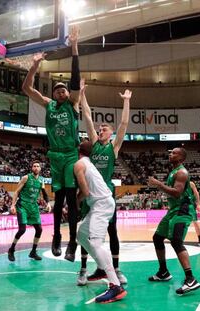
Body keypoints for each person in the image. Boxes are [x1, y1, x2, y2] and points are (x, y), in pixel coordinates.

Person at [22, 26, 81, 261]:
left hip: (71, 154)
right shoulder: (49, 105)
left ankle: (73, 242)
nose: (60, 92)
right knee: (58, 201)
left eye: (63, 89)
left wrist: (74, 47)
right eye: (57, 90)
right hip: (55, 155)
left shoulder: (73, 103)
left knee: (70, 197)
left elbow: (75, 80)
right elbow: (27, 88)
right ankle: (57, 236)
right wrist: (34, 66)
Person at [76, 79, 131, 286]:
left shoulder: (113, 147)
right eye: (99, 129)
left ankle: (115, 268)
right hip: (88, 191)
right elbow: (88, 116)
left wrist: (126, 101)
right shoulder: (93, 144)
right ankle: (83, 269)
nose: (100, 130)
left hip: (105, 193)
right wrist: (82, 94)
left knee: (112, 232)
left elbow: (124, 124)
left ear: (110, 134)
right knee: (84, 231)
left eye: (104, 129)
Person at [75, 141, 126, 303]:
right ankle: (103, 269)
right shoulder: (88, 162)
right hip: (100, 204)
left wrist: (74, 203)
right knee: (81, 235)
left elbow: (85, 192)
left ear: (78, 151)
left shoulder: (79, 164)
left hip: (102, 205)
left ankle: (116, 286)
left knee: (96, 243)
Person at [147, 148, 200, 295]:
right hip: (173, 210)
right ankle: (163, 272)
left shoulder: (181, 172)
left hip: (183, 210)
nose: (170, 154)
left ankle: (191, 279)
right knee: (157, 238)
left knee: (176, 241)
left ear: (181, 157)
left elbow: (177, 193)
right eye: (170, 152)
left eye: (174, 153)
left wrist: (158, 184)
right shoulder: (173, 171)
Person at [7, 161, 50, 262]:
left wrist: (47, 203)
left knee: (39, 229)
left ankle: (33, 252)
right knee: (22, 229)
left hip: (33, 207)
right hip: (22, 205)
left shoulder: (41, 180)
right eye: (34, 166)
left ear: (40, 169)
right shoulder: (26, 178)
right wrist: (12, 205)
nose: (36, 167)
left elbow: (44, 193)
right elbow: (17, 191)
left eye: (37, 166)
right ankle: (11, 250)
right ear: (32, 168)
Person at [189, 181, 200, 247]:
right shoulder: (177, 183)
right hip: (180, 205)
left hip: (190, 205)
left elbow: (196, 193)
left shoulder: (190, 183)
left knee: (195, 222)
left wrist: (198, 204)